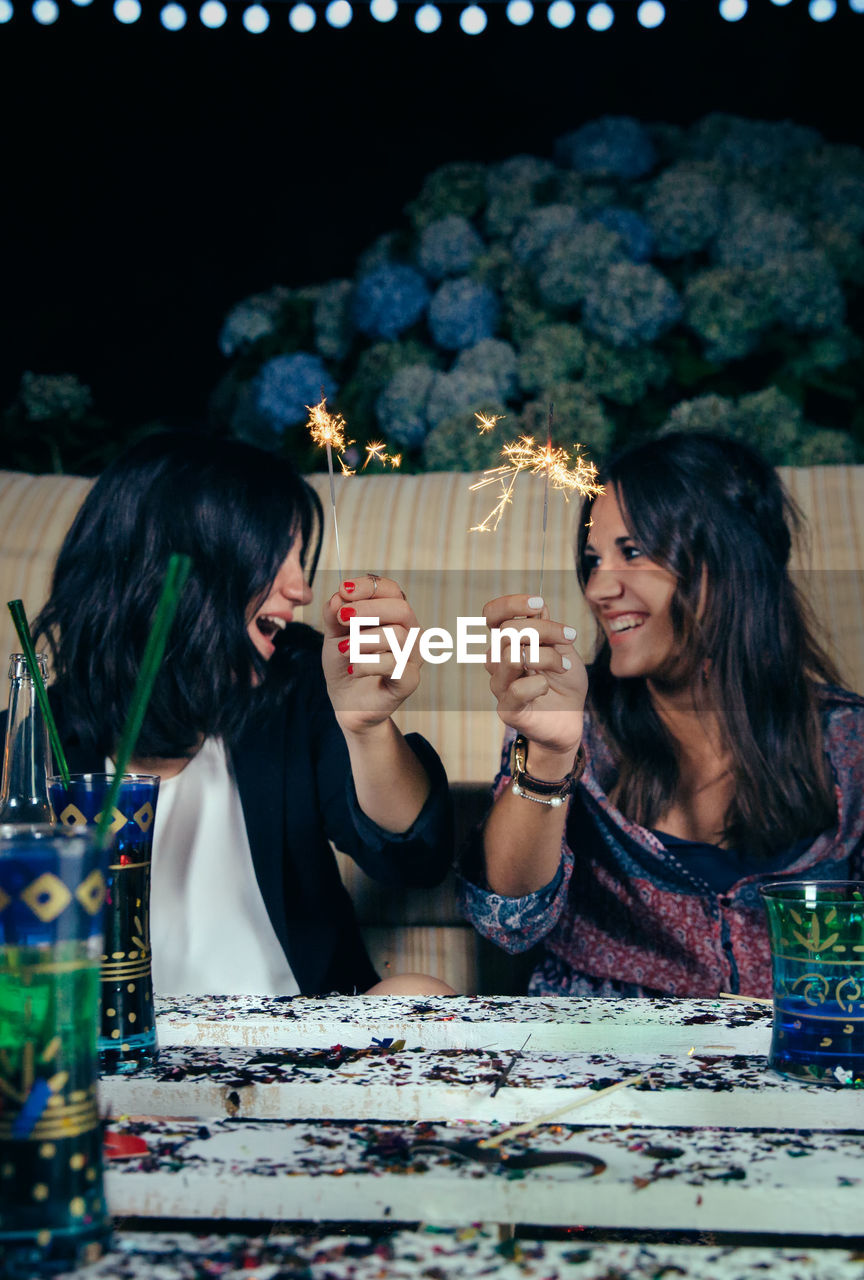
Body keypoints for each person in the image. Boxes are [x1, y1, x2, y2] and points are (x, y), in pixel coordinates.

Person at [31, 431, 454, 997]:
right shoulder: (37, 741)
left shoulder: (298, 681)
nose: (301, 589)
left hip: (301, 1053)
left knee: (419, 994)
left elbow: (416, 861)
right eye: (272, 557)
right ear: (175, 570)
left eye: (299, 560)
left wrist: (369, 729)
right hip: (117, 1061)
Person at [460, 432, 864, 998]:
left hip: (794, 1064)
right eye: (592, 560)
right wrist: (550, 756)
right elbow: (508, 920)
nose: (599, 588)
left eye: (633, 552)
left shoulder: (847, 742)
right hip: (600, 1065)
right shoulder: (571, 719)